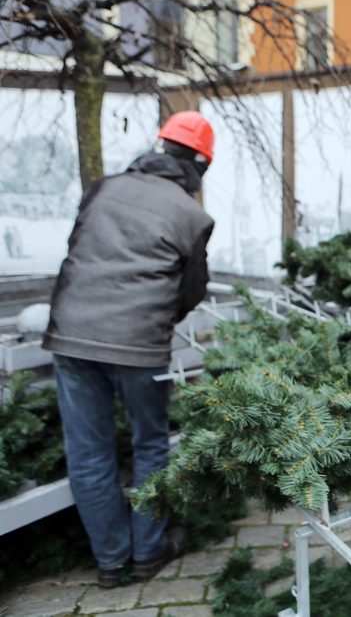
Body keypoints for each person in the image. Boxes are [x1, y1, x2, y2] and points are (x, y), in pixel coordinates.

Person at [43, 111, 216, 588]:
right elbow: (191, 291)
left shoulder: (101, 189)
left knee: (88, 452)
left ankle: (112, 562)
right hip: (139, 346)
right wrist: (158, 318)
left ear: (158, 148)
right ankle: (148, 550)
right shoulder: (193, 216)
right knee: (149, 444)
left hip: (71, 336)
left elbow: (77, 252)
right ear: (200, 165)